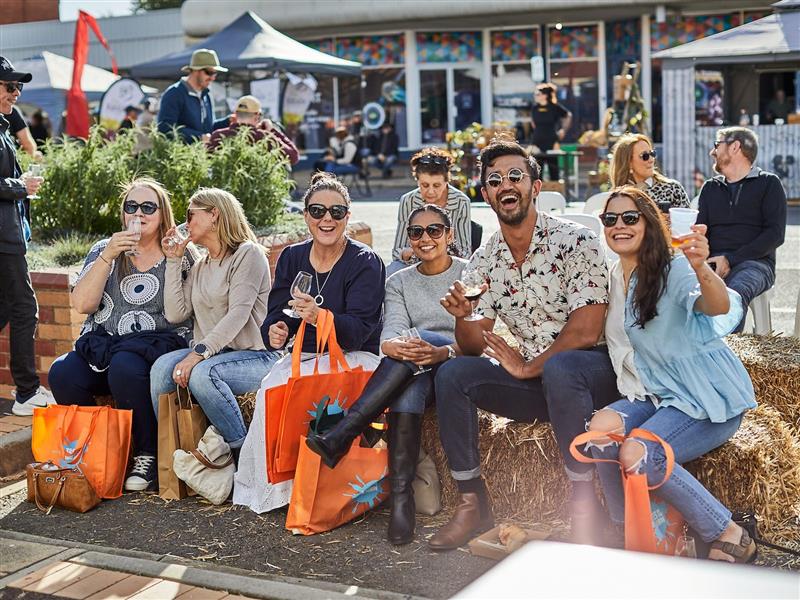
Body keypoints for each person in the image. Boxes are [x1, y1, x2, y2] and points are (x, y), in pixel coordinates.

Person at [429, 136, 618, 551]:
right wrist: (463, 318)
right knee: (453, 373)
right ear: (486, 194)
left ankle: (585, 505)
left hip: (594, 378)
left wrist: (528, 366)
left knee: (561, 368)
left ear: (536, 185)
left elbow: (587, 329)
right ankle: (471, 501)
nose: (506, 185)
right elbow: (474, 345)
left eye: (516, 176)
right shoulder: (486, 257)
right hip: (541, 384)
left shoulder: (575, 241)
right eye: (495, 180)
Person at [587, 185, 757, 563]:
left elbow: (716, 305)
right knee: (600, 431)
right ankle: (628, 527)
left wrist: (701, 267)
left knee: (640, 453)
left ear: (649, 223)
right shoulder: (616, 274)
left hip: (708, 398)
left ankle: (727, 531)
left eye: (630, 217)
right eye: (610, 219)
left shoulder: (672, 266)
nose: (619, 225)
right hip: (662, 394)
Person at [306, 204, 467, 544]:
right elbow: (390, 336)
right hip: (414, 373)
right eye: (416, 232)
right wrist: (402, 347)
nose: (425, 238)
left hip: (455, 371)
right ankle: (401, 498)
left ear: (450, 235)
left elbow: (478, 340)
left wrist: (439, 350)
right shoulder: (398, 282)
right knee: (410, 382)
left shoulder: (468, 276)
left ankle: (346, 431)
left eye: (434, 230)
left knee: (423, 339)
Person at [234, 172, 385, 513]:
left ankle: (323, 487)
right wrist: (275, 330)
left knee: (308, 389)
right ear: (305, 216)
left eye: (336, 212)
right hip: (306, 353)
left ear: (348, 216)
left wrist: (320, 317)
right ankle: (278, 487)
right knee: (272, 386)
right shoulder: (291, 257)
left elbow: (361, 330)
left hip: (353, 356)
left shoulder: (365, 262)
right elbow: (278, 312)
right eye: (317, 211)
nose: (326, 219)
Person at [48, 178, 194, 491]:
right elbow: (83, 304)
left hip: (155, 347)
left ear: (161, 213)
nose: (138, 214)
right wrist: (108, 256)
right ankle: (102, 448)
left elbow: (177, 314)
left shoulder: (178, 251)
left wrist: (173, 259)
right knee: (62, 372)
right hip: (104, 347)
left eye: (147, 207)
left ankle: (146, 453)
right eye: (131, 206)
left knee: (126, 366)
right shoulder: (104, 249)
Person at [150, 188, 276, 464]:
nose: (185, 223)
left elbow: (239, 314)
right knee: (161, 368)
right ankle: (179, 459)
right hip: (217, 355)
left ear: (214, 214)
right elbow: (175, 313)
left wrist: (199, 353)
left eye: (190, 215)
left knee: (203, 374)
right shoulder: (201, 266)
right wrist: (173, 260)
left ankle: (244, 458)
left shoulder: (248, 254)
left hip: (257, 355)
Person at [0, 57, 53, 416]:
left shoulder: (3, 127)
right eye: (8, 86)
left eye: (18, 87)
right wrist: (22, 186)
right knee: (24, 309)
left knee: (7, 308)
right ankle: (26, 393)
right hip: (4, 238)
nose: (15, 93)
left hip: (8, 233)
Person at [698, 127, 786, 332]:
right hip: (712, 263)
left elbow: (775, 235)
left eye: (716, 145)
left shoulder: (768, 183)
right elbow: (701, 232)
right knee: (679, 289)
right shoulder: (710, 188)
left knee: (733, 292)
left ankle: (725, 356)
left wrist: (730, 259)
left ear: (735, 146)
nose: (712, 152)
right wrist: (705, 263)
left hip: (755, 264)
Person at [387, 148, 471, 276]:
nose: (430, 191)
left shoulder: (461, 201)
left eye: (437, 186)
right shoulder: (408, 200)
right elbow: (397, 251)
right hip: (414, 262)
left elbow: (465, 252)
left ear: (447, 181)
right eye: (424, 185)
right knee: (390, 273)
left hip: (448, 265)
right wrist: (409, 254)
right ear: (417, 181)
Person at [157, 48, 229, 143]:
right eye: (209, 72)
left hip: (202, 155)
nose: (212, 78)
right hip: (182, 155)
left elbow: (209, 127)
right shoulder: (174, 93)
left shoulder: (206, 95)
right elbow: (165, 128)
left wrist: (228, 121)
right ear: (195, 70)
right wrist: (199, 137)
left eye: (215, 73)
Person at [207, 95, 299, 164]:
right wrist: (272, 130)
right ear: (257, 117)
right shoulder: (264, 138)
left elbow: (206, 161)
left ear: (235, 114)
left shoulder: (218, 136)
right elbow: (293, 156)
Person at [609, 133, 689, 210]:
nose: (651, 160)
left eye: (652, 154)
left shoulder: (673, 189)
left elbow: (688, 220)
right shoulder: (617, 197)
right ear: (629, 163)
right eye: (645, 156)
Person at [530, 82, 571, 181]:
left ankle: (555, 191)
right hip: (537, 140)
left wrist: (563, 130)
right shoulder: (534, 108)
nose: (536, 96)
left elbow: (568, 115)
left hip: (551, 140)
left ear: (545, 95)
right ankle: (538, 194)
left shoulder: (554, 107)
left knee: (554, 170)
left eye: (538, 94)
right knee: (537, 170)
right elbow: (533, 123)